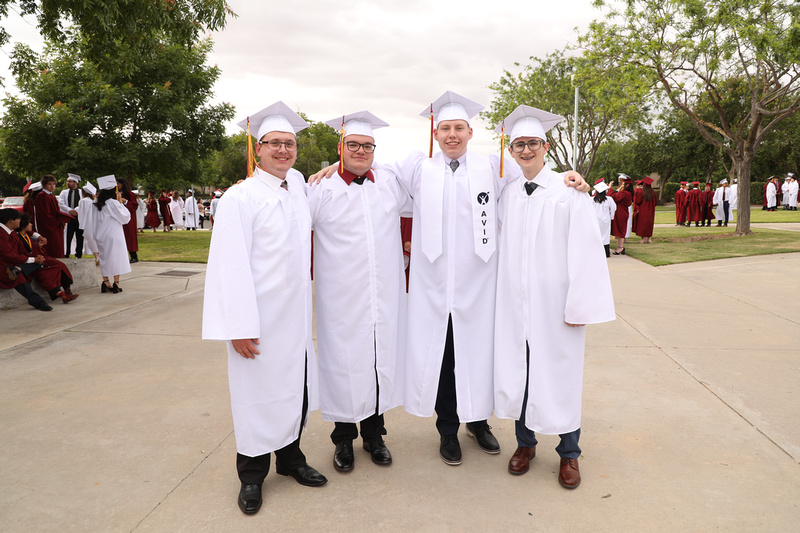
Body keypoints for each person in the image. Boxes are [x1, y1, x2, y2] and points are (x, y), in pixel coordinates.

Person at [202, 102, 327, 516]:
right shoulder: (241, 197)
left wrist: (328, 170)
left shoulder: (298, 188)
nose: (283, 150)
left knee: (294, 391)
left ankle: (291, 461)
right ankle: (252, 477)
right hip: (257, 321)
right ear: (258, 149)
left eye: (289, 144)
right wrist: (237, 326)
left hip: (294, 318)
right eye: (274, 143)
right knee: (256, 396)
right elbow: (228, 266)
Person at [493, 105, 615, 489]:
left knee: (561, 374)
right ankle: (525, 445)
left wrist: (580, 303)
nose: (525, 150)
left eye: (532, 143)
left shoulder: (568, 191)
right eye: (518, 145)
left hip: (556, 306)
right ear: (511, 151)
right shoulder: (509, 193)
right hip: (516, 305)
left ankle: (569, 454)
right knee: (521, 373)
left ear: (545, 146)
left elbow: (586, 249)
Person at [309, 111, 411, 473]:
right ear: (341, 147)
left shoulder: (389, 183)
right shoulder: (320, 189)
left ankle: (375, 436)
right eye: (353, 144)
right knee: (344, 363)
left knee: (377, 359)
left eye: (367, 146)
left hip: (383, 293)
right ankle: (343, 440)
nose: (361, 151)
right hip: (342, 296)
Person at [15, 213, 79, 304]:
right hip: (32, 262)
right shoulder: (17, 238)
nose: (31, 224)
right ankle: (62, 295)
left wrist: (39, 246)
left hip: (40, 258)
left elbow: (32, 247)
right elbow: (23, 252)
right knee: (47, 272)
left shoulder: (26, 236)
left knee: (60, 265)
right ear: (23, 225)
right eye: (29, 223)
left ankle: (67, 290)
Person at [0, 208, 53, 311]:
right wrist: (32, 260)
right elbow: (7, 255)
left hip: (13, 263)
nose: (20, 221)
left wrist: (34, 258)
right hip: (3, 264)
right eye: (18, 219)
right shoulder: (1, 233)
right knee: (16, 277)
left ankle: (18, 269)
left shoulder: (12, 232)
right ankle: (38, 302)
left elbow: (22, 251)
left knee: (38, 262)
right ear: (11, 220)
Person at [94, 175, 131, 293]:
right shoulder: (112, 203)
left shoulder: (96, 203)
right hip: (113, 234)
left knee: (104, 258)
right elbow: (125, 218)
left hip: (100, 234)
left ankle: (105, 282)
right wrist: (120, 202)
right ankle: (116, 283)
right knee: (116, 258)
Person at [33, 175, 74, 258]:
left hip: (56, 225)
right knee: (52, 247)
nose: (52, 186)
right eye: (49, 184)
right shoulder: (42, 196)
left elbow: (56, 211)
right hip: (49, 227)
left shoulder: (51, 196)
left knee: (58, 246)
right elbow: (45, 215)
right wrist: (58, 221)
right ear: (44, 185)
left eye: (54, 184)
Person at [58, 174, 85, 258]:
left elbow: (83, 202)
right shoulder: (64, 192)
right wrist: (69, 210)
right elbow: (61, 203)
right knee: (68, 236)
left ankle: (79, 254)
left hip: (79, 217)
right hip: (68, 216)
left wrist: (76, 210)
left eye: (69, 181)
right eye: (68, 181)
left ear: (75, 182)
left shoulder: (81, 192)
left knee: (79, 236)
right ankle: (67, 253)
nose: (68, 183)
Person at [76, 182, 100, 265]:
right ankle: (98, 257)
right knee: (95, 240)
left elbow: (82, 213)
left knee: (91, 240)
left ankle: (97, 257)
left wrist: (81, 225)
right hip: (95, 223)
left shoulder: (83, 201)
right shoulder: (94, 201)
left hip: (87, 223)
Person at [116, 177, 139, 263]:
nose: (116, 186)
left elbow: (134, 206)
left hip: (129, 219)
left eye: (118, 184)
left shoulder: (130, 194)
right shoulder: (115, 194)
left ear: (122, 184)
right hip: (119, 219)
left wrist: (125, 202)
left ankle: (134, 256)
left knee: (130, 237)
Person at [592, 179, 616, 257]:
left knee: (596, 234)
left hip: (595, 219)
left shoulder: (592, 199)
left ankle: (596, 252)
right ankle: (606, 252)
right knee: (605, 235)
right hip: (605, 219)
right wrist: (611, 217)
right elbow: (613, 208)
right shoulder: (609, 199)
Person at [610, 175, 633, 254]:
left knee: (620, 230)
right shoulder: (628, 193)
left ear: (627, 185)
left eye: (624, 184)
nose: (622, 185)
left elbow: (613, 197)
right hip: (622, 212)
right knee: (620, 230)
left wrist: (610, 188)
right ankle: (620, 247)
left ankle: (620, 247)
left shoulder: (625, 193)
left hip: (621, 213)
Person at [635, 177, 657, 242]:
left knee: (643, 223)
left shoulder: (642, 193)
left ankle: (643, 238)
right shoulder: (653, 193)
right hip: (651, 211)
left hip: (643, 210)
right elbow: (655, 202)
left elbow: (637, 202)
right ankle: (649, 238)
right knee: (649, 223)